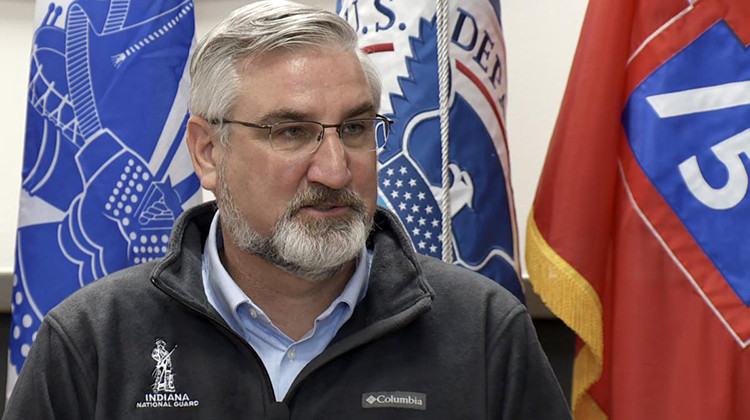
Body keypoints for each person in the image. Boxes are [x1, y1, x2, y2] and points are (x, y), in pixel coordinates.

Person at [3, 1, 571, 419]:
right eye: (292, 132)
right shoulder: (93, 342)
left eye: (354, 128)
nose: (334, 169)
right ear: (207, 151)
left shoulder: (483, 332)